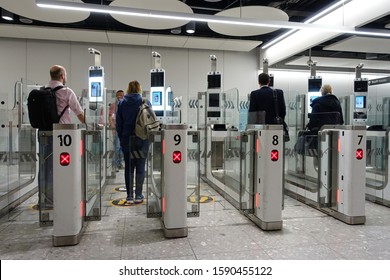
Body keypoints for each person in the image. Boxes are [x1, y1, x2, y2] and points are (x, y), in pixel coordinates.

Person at [39, 65, 84, 209]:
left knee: (45, 166)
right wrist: (88, 124)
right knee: (64, 166)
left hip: (44, 133)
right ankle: (62, 196)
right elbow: (79, 113)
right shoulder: (66, 91)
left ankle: (45, 199)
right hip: (63, 134)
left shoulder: (41, 91)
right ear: (62, 76)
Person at [116, 81, 150, 205]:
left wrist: (121, 138)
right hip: (142, 139)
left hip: (127, 139)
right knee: (140, 166)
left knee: (129, 168)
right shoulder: (145, 102)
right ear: (139, 89)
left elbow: (118, 124)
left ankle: (129, 196)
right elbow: (150, 121)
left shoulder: (121, 103)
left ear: (128, 89)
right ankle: (139, 195)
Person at [108, 90, 124, 171]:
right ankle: (115, 164)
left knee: (121, 148)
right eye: (118, 95)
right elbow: (110, 117)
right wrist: (113, 128)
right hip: (117, 129)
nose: (119, 97)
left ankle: (119, 163)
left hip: (123, 130)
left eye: (121, 95)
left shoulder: (125, 105)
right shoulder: (113, 106)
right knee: (117, 147)